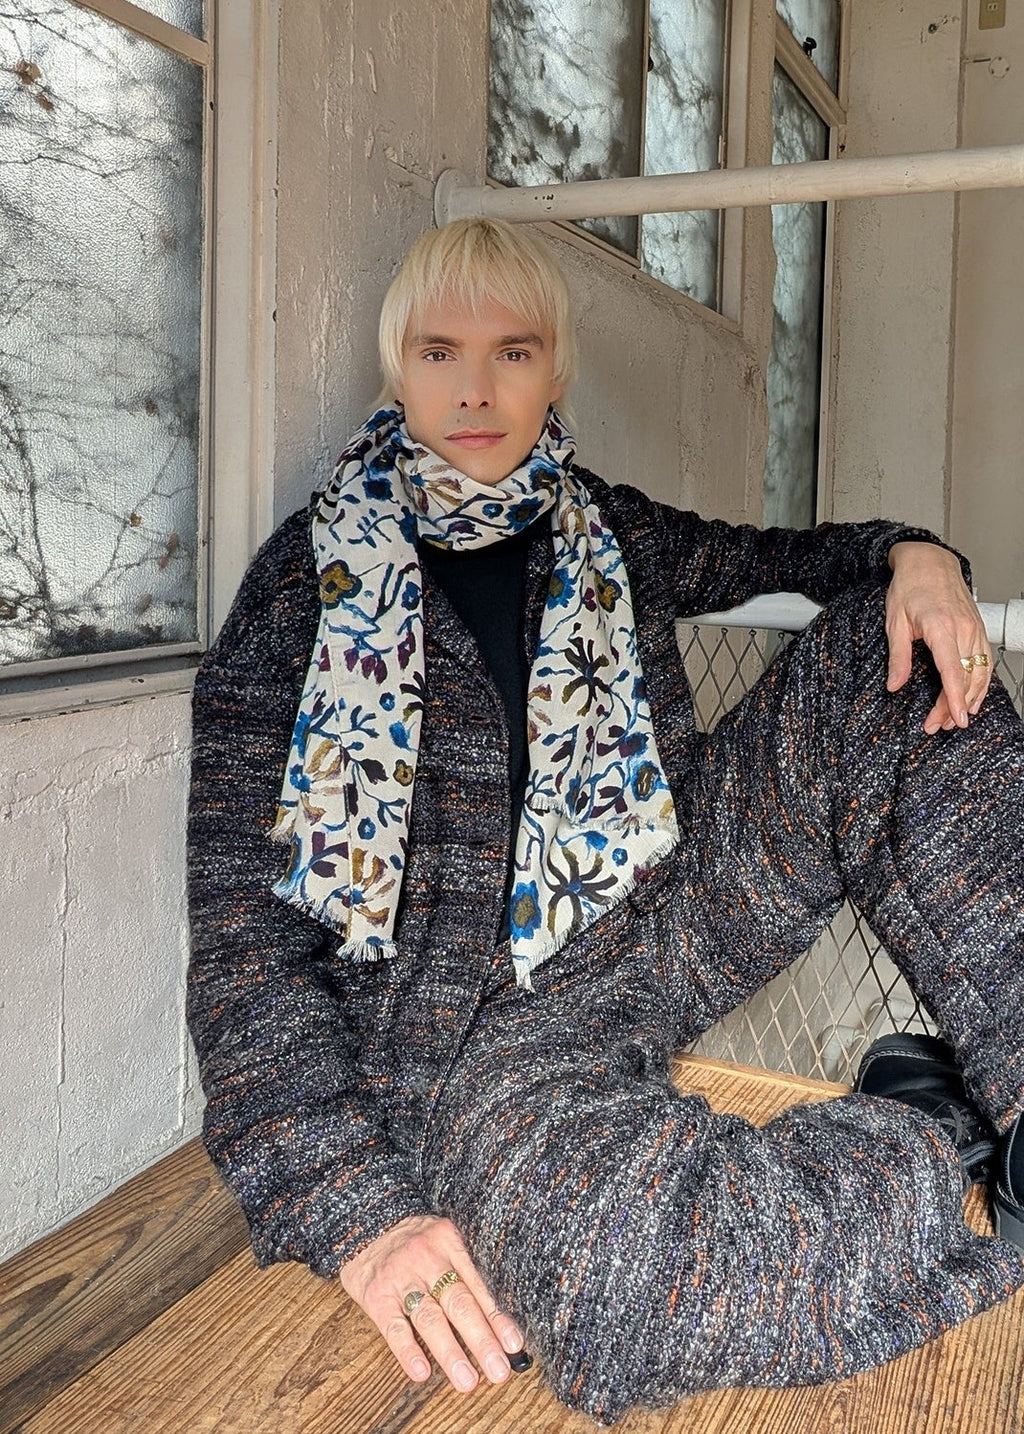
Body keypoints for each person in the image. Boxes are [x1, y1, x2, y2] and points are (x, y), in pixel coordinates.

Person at [186, 217, 1024, 1426]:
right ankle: (923, 1125)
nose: (475, 389)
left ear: (556, 371)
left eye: (513, 353)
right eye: (438, 352)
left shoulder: (606, 533)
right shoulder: (295, 594)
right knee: (634, 1287)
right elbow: (240, 947)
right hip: (473, 1038)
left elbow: (803, 557)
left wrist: (919, 555)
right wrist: (353, 1210)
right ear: (397, 364)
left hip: (654, 917)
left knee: (882, 660)